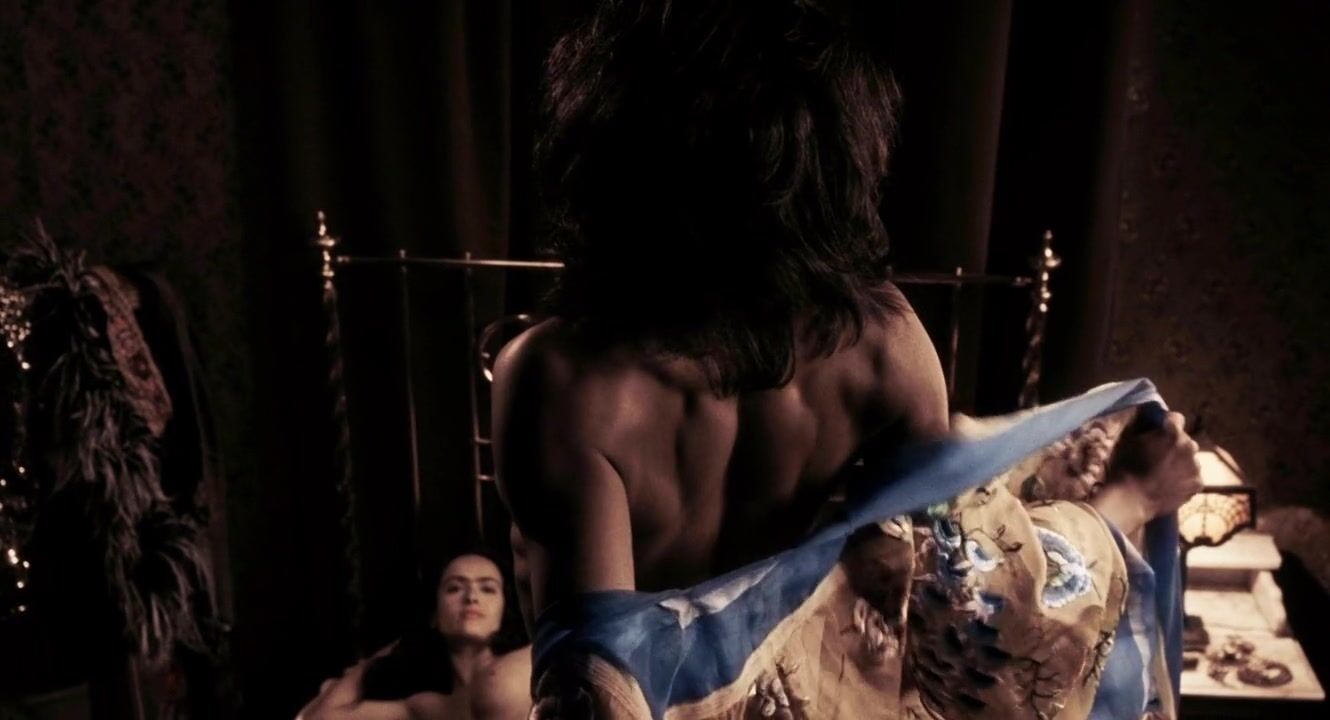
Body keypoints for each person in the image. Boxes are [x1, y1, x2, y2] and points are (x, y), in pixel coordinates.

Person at [491, 1, 1202, 718]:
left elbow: (599, 687)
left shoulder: (560, 382)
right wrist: (1129, 500)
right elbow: (977, 616)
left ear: (612, 161)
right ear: (832, 168)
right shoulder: (883, 348)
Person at [296, 553, 532, 720]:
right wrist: (378, 659)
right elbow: (317, 717)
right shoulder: (428, 706)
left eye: (487, 588)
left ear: (505, 613)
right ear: (434, 615)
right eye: (454, 588)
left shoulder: (529, 668)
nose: (471, 597)